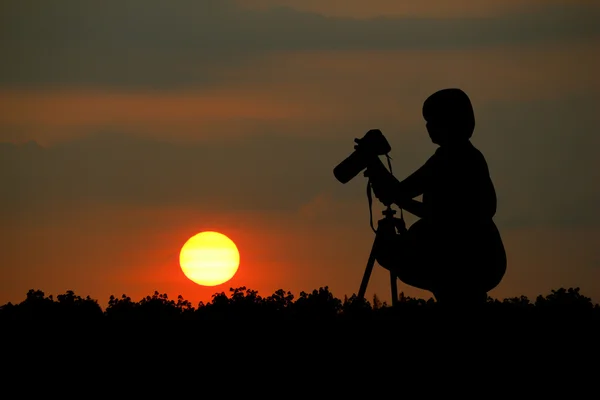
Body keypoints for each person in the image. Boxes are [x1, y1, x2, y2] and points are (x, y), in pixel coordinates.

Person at [363, 88, 507, 305]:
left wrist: (374, 164)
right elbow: (415, 201)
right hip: (482, 256)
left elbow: (402, 194)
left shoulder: (452, 158)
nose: (428, 127)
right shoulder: (464, 156)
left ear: (449, 121)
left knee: (390, 253)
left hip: (464, 257)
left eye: (433, 120)